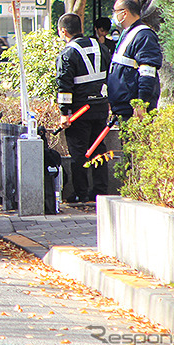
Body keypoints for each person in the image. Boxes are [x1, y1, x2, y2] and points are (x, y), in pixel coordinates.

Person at [55, 13, 111, 203]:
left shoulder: (68, 53)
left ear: (64, 31)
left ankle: (81, 193)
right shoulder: (100, 47)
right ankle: (100, 191)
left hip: (80, 110)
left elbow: (64, 85)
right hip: (101, 107)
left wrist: (64, 113)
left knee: (79, 153)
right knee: (98, 149)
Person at [107, 0, 162, 120]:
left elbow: (147, 72)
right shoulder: (128, 33)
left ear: (124, 13)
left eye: (115, 11)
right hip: (123, 106)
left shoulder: (143, 35)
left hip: (134, 109)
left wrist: (141, 102)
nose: (114, 15)